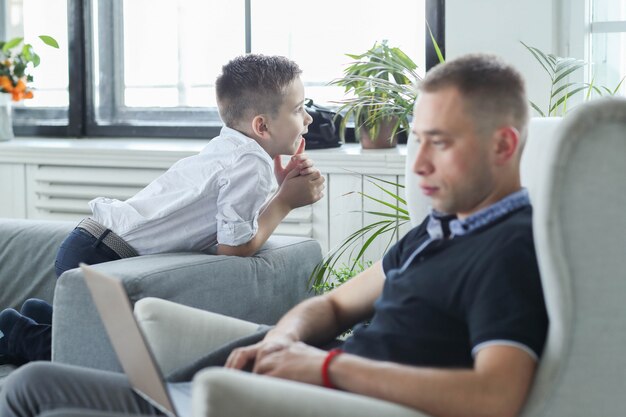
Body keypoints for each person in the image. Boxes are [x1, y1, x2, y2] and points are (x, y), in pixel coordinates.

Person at [0, 53, 548, 417]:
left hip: (311, 398)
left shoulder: (511, 248)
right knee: (29, 386)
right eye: (418, 140)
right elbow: (333, 304)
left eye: (441, 143)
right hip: (271, 378)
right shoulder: (436, 231)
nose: (419, 163)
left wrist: (325, 365)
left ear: (503, 146)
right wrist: (285, 339)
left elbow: (496, 394)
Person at [0, 54, 325, 366]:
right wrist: (285, 201)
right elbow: (234, 248)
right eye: (298, 109)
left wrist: (279, 187)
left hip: (93, 243)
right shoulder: (251, 164)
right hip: (106, 258)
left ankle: (39, 316)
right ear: (262, 126)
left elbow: (232, 227)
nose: (308, 118)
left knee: (101, 339)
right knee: (104, 358)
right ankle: (17, 332)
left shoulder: (234, 148)